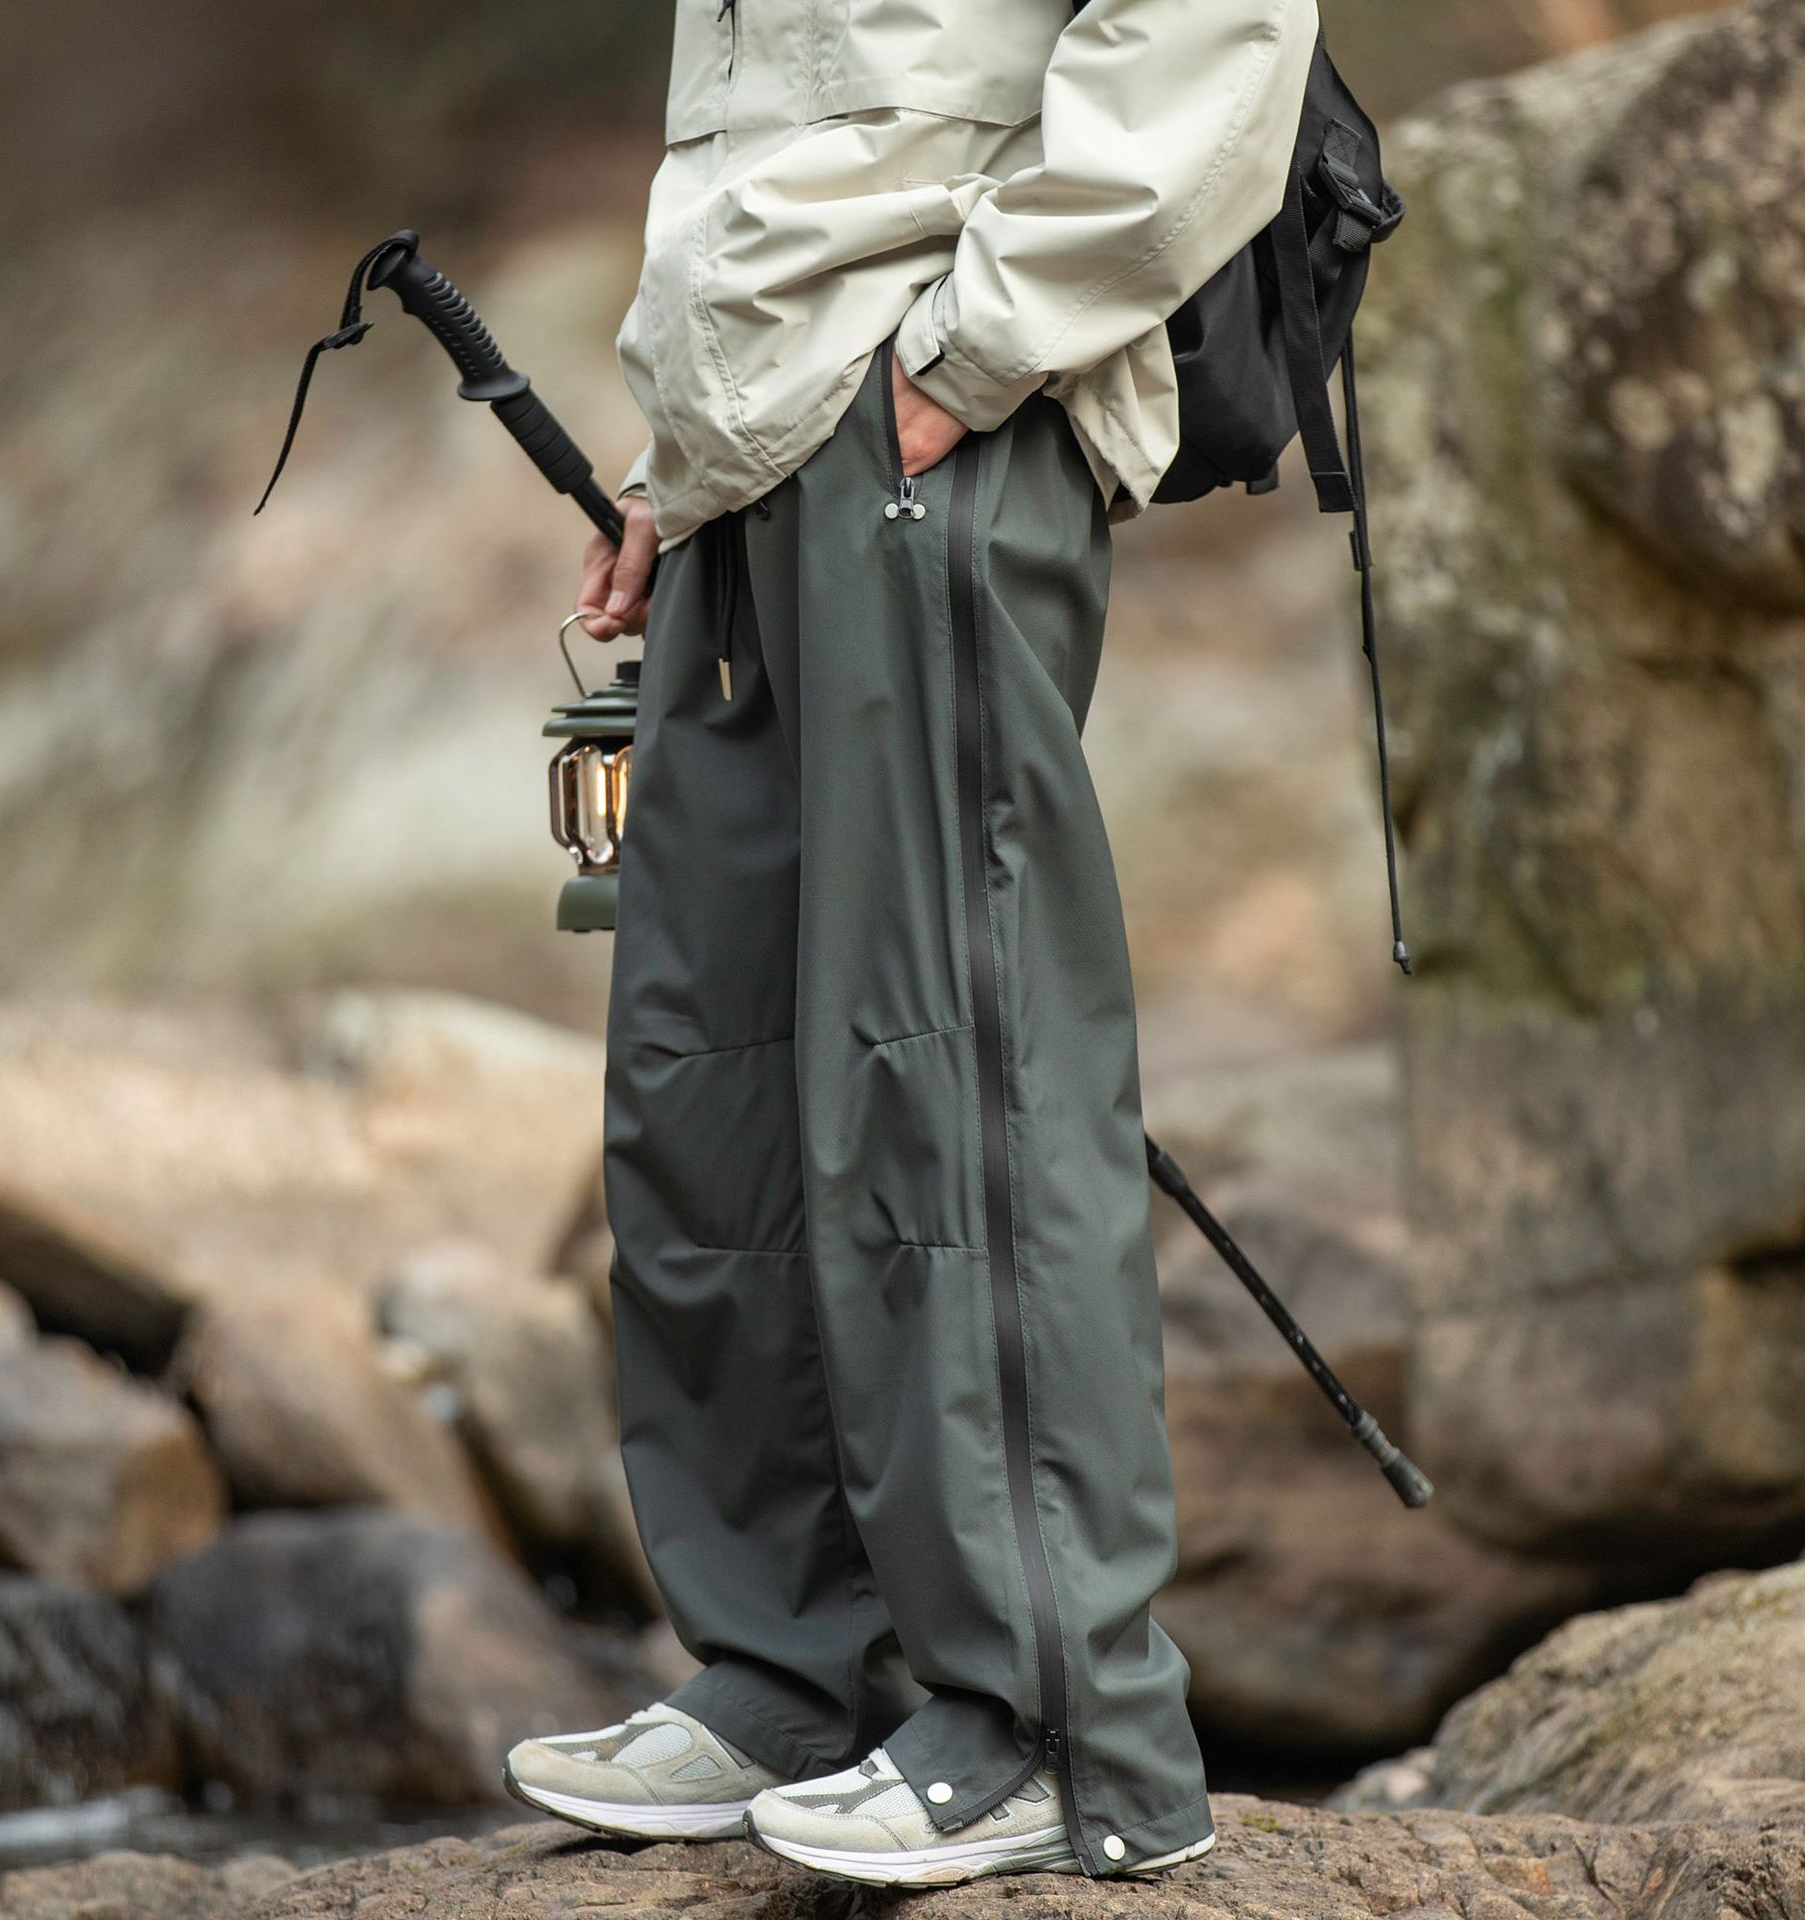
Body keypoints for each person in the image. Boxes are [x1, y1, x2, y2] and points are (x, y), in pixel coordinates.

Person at [505, 0, 1318, 1887]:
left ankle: (1058, 1727)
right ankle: (796, 1672)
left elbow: (1212, 28)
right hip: (756, 449)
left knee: (950, 1069)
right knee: (710, 1079)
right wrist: (681, 453)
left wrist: (975, 347)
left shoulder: (955, 373)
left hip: (933, 411)